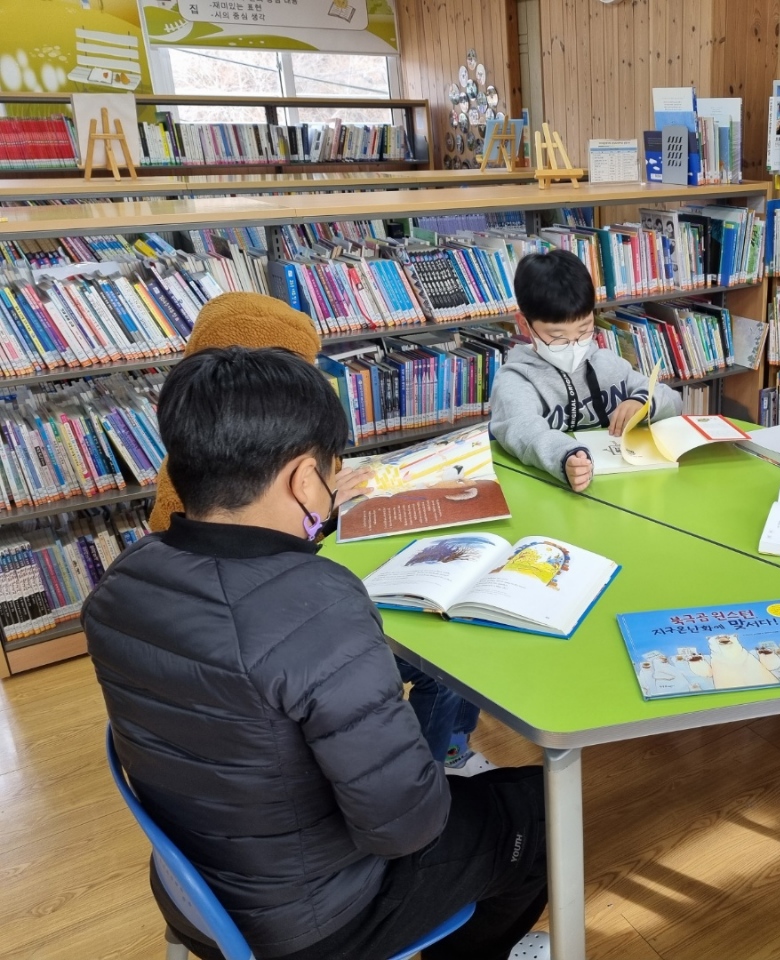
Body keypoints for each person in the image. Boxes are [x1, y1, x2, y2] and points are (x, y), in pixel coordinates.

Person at [84, 347, 549, 960]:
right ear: (304, 479)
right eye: (331, 476)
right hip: (316, 924)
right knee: (539, 812)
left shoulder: (123, 581)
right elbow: (406, 827)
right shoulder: (322, 604)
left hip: (195, 886)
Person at [148, 292, 491, 776]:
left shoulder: (147, 552)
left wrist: (319, 511)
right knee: (445, 670)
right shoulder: (318, 599)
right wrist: (320, 511)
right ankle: (443, 764)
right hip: (283, 685)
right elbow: (390, 797)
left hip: (231, 714)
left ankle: (449, 750)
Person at [490, 248, 682, 492]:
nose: (574, 345)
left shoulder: (604, 362)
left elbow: (672, 400)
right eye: (557, 337)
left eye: (584, 330)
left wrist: (642, 402)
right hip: (554, 489)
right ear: (524, 325)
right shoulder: (515, 381)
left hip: (622, 485)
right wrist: (565, 457)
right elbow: (524, 431)